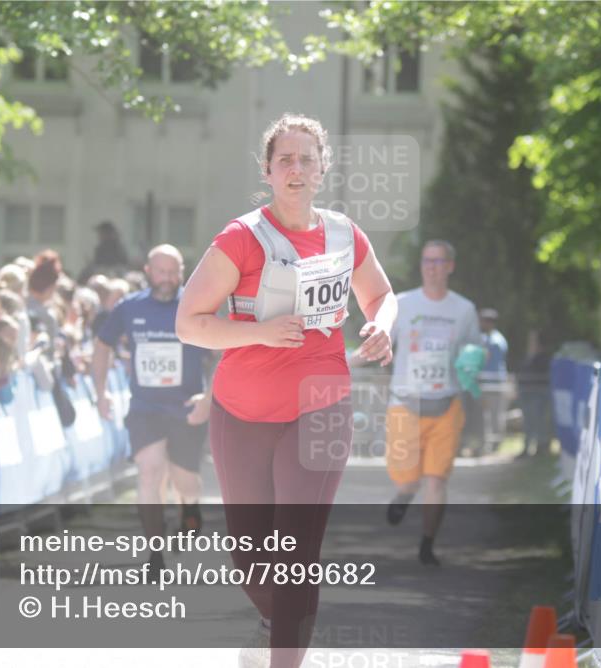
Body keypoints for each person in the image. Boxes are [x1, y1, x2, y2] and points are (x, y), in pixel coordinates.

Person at [176, 113, 396, 668]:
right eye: (285, 160)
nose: (296, 169)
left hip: (321, 405)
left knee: (296, 553)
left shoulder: (345, 234)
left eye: (306, 159)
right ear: (268, 171)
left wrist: (382, 326)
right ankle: (278, 621)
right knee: (250, 560)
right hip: (241, 411)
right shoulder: (242, 239)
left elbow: (382, 296)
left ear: (323, 168)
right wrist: (259, 333)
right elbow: (188, 322)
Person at [91, 244, 210, 571]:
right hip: (145, 408)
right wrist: (100, 392)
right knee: (150, 469)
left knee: (184, 479)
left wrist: (210, 398)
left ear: (182, 272)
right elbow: (102, 346)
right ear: (148, 271)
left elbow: (223, 353)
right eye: (161, 272)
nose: (168, 279)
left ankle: (189, 510)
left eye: (174, 272)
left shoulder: (196, 306)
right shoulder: (129, 308)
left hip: (187, 406)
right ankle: (154, 553)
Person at [383, 240, 482, 567]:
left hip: (446, 405)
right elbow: (381, 339)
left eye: (439, 261)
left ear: (450, 266)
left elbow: (475, 349)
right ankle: (403, 495)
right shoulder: (402, 303)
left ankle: (427, 544)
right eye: (427, 261)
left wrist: (472, 362)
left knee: (437, 479)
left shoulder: (464, 309)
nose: (433, 267)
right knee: (409, 479)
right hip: (405, 404)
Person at [516, 329, 552, 457]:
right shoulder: (527, 356)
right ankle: (527, 447)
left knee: (539, 421)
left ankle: (541, 446)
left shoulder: (544, 358)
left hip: (538, 394)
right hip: (526, 393)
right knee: (528, 422)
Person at [478, 307, 509, 452]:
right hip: (484, 383)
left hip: (494, 384)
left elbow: (486, 360)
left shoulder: (496, 341)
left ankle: (495, 444)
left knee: (495, 415)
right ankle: (485, 444)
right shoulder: (484, 338)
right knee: (485, 416)